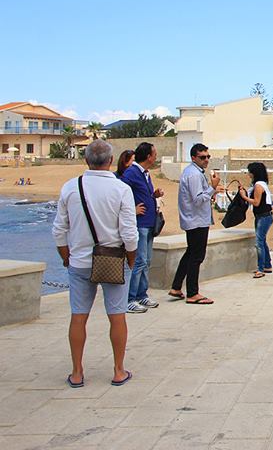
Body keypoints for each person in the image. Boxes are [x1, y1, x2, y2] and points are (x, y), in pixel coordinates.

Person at [52, 139, 139, 388]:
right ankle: (118, 370)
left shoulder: (71, 187)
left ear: (86, 160)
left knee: (78, 316)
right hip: (112, 260)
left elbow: (59, 229)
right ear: (111, 161)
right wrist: (130, 260)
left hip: (79, 261)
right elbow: (129, 233)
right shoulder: (121, 189)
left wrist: (65, 256)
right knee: (117, 316)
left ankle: (77, 372)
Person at [172, 143, 222, 304]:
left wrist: (211, 191)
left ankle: (176, 286)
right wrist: (212, 188)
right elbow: (198, 199)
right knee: (197, 256)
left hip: (195, 219)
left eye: (208, 157)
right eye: (202, 157)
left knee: (190, 253)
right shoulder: (193, 174)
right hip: (196, 220)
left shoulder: (193, 172)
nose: (206, 160)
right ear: (193, 158)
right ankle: (192, 293)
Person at [121, 142, 164, 313]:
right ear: (148, 156)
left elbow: (141, 193)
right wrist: (133, 209)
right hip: (140, 224)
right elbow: (120, 193)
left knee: (146, 261)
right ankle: (130, 298)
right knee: (139, 262)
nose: (156, 157)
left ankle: (141, 294)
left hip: (149, 223)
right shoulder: (132, 172)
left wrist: (154, 195)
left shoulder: (145, 174)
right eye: (154, 154)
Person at [238, 162, 273, 278]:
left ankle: (261, 268)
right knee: (262, 241)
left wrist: (244, 197)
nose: (249, 174)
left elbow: (256, 202)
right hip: (262, 216)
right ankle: (267, 265)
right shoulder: (259, 184)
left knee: (259, 243)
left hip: (264, 216)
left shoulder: (259, 186)